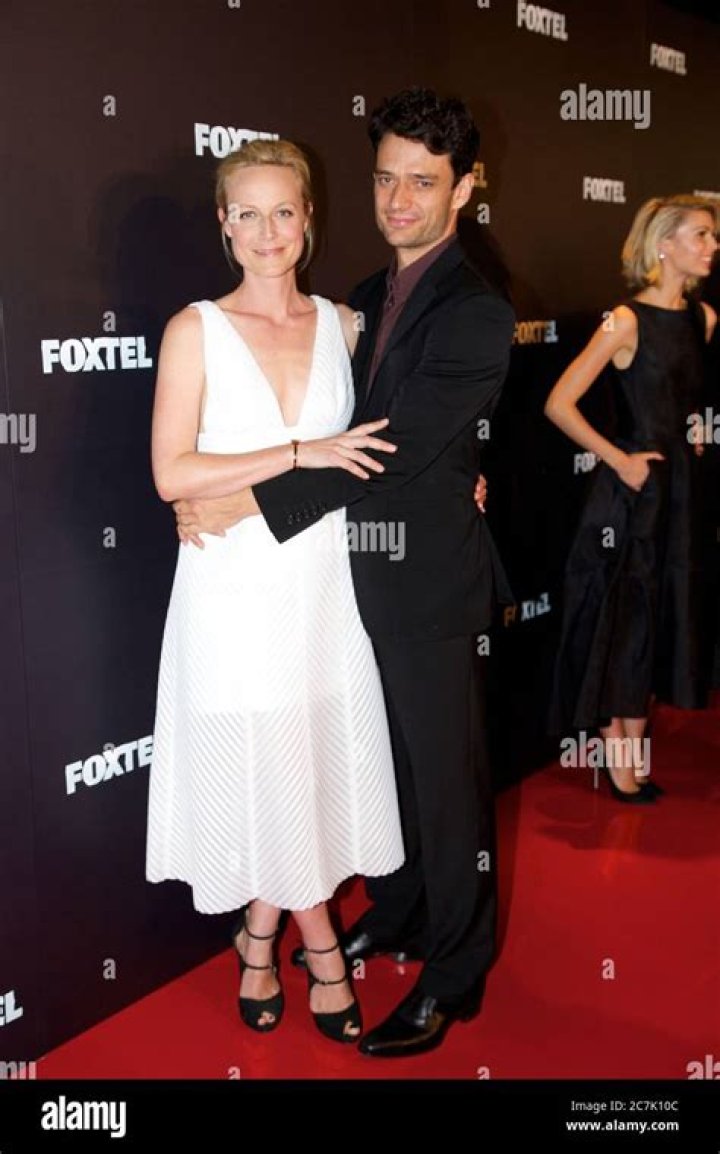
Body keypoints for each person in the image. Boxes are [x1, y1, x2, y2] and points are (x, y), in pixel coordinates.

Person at [175, 87, 515, 1057]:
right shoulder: (361, 301)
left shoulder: (477, 310)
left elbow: (388, 450)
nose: (399, 200)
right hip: (342, 584)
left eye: (424, 183)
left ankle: (455, 974)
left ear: (464, 188)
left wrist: (243, 503)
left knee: (447, 790)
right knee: (391, 771)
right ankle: (401, 912)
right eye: (386, 179)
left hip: (430, 588)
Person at [145, 138, 407, 1044]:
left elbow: (386, 449)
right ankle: (320, 945)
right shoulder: (195, 330)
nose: (267, 232)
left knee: (303, 767)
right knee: (264, 765)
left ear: (309, 219)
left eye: (283, 212)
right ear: (224, 224)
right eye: (247, 214)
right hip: (233, 592)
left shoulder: (346, 327)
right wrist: (298, 451)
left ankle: (258, 938)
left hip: (325, 588)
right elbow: (172, 474)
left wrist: (461, 483)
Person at [545, 195, 718, 801]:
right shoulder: (624, 321)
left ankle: (631, 757)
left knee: (663, 619)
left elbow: (689, 400)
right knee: (629, 627)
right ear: (664, 244)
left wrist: (696, 432)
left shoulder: (703, 319)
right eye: (701, 235)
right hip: (632, 500)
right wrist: (620, 460)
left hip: (683, 498)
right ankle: (622, 761)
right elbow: (559, 402)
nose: (712, 246)